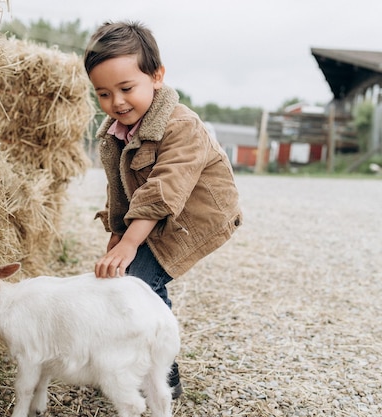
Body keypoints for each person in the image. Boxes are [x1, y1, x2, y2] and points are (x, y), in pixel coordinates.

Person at [83, 21, 243, 399]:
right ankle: (140, 364)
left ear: (156, 77)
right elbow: (120, 190)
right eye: (103, 94)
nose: (117, 102)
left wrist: (130, 246)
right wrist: (118, 235)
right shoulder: (115, 132)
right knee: (129, 280)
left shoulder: (182, 126)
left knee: (137, 282)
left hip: (194, 216)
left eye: (126, 89)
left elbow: (163, 190)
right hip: (153, 213)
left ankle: (163, 380)